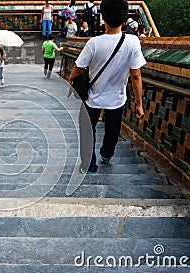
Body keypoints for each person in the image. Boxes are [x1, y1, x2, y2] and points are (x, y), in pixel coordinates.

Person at [68, 0, 146, 174]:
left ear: (102, 17)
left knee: (88, 129)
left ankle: (90, 164)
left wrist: (71, 78)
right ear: (125, 18)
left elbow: (78, 67)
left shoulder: (94, 43)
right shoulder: (133, 42)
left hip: (92, 96)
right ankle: (107, 154)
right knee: (113, 129)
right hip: (117, 97)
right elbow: (136, 76)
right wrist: (139, 103)